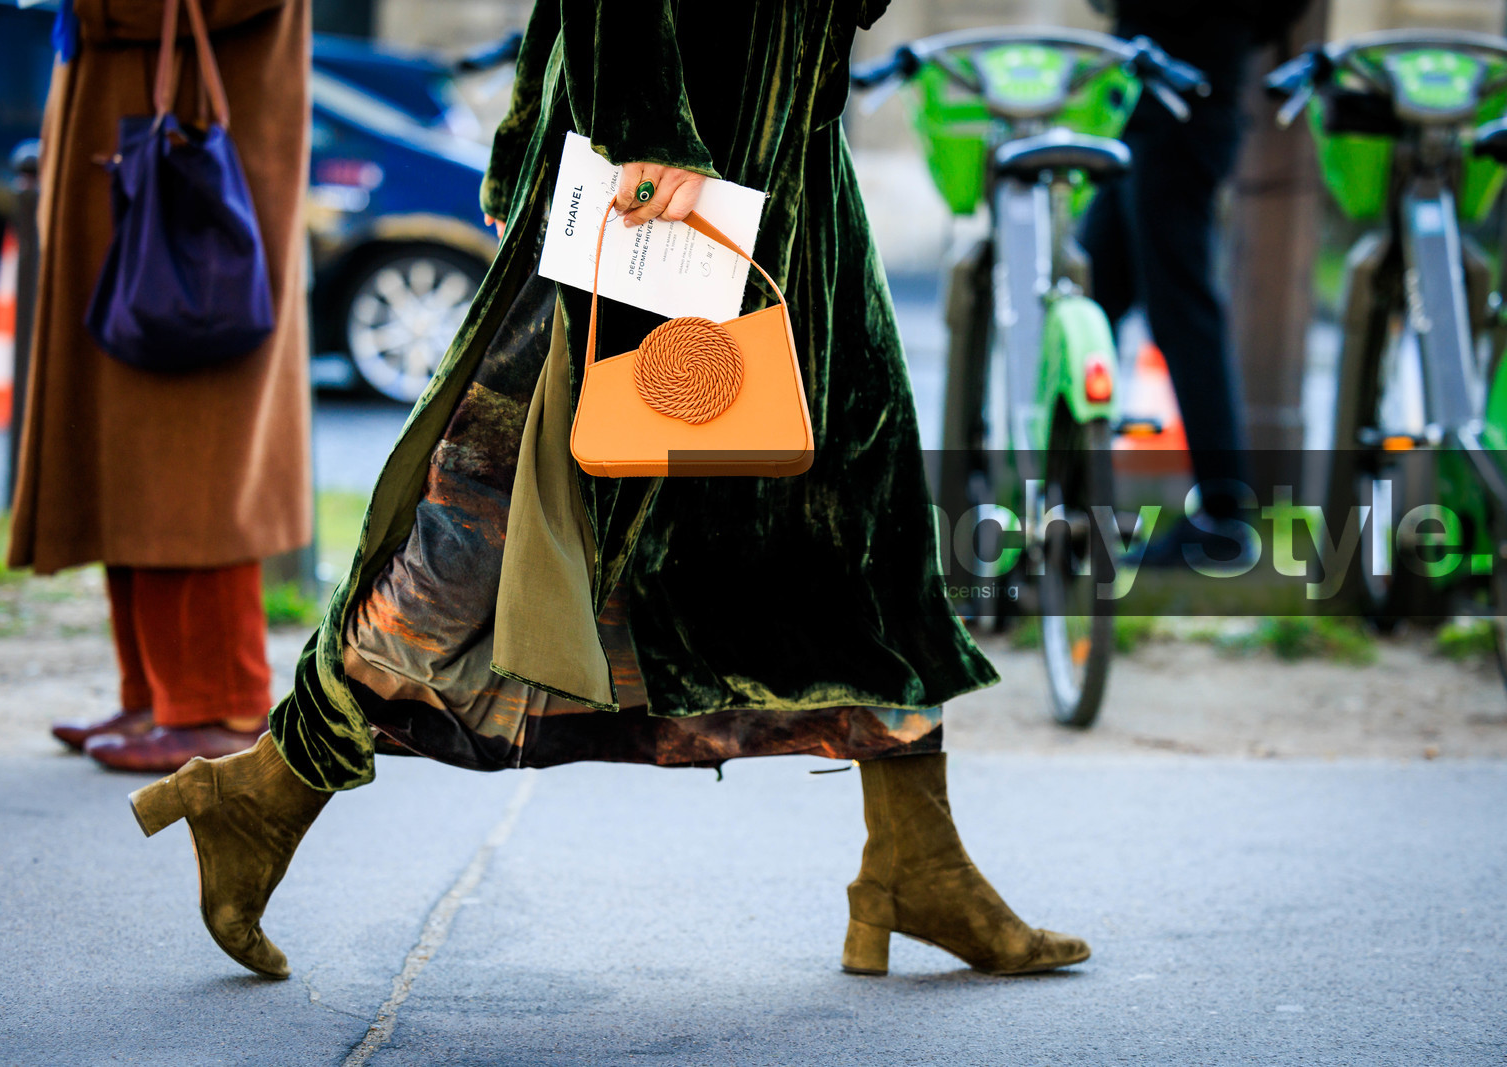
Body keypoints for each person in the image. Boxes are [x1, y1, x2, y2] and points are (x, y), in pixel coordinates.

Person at [128, 0, 1090, 981]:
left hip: (789, 192)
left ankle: (916, 860)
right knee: (482, 531)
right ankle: (263, 791)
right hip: (662, 193)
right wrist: (644, 134)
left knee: (868, 527)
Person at [13, 0, 313, 772]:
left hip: (188, 155)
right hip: (134, 141)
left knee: (186, 437)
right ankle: (154, 692)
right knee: (127, 430)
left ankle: (217, 701)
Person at [1081, 0, 1306, 552]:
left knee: (1179, 309)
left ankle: (1225, 516)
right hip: (1151, 92)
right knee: (1092, 294)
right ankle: (1064, 505)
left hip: (1182, 95)